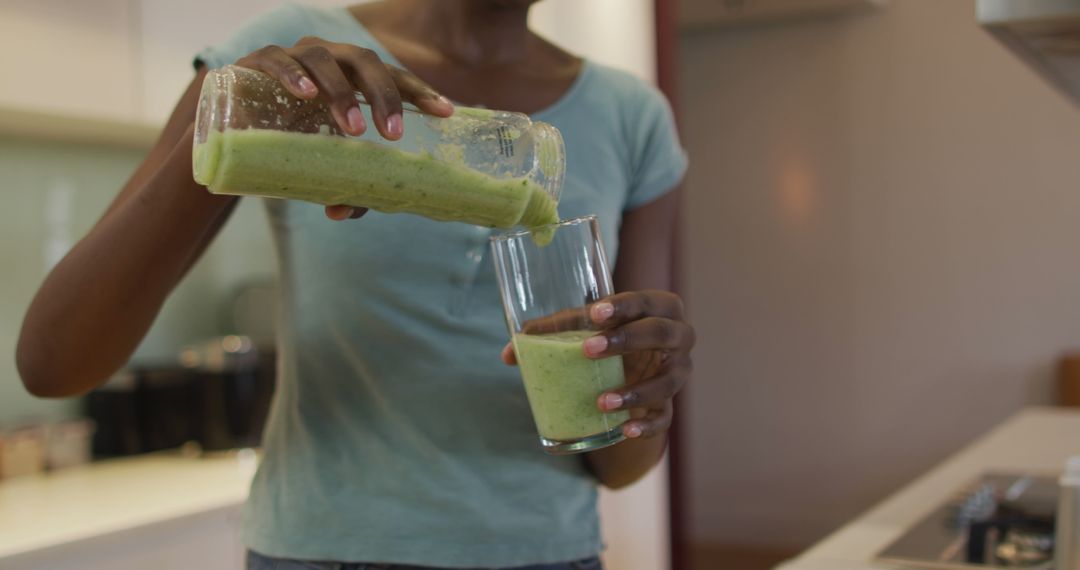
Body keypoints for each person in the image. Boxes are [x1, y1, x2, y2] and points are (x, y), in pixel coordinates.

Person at [16, 1, 695, 568]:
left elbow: (620, 461)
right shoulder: (292, 56)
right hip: (321, 551)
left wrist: (642, 390)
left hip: (550, 553)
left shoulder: (633, 116)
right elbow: (53, 362)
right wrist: (224, 122)